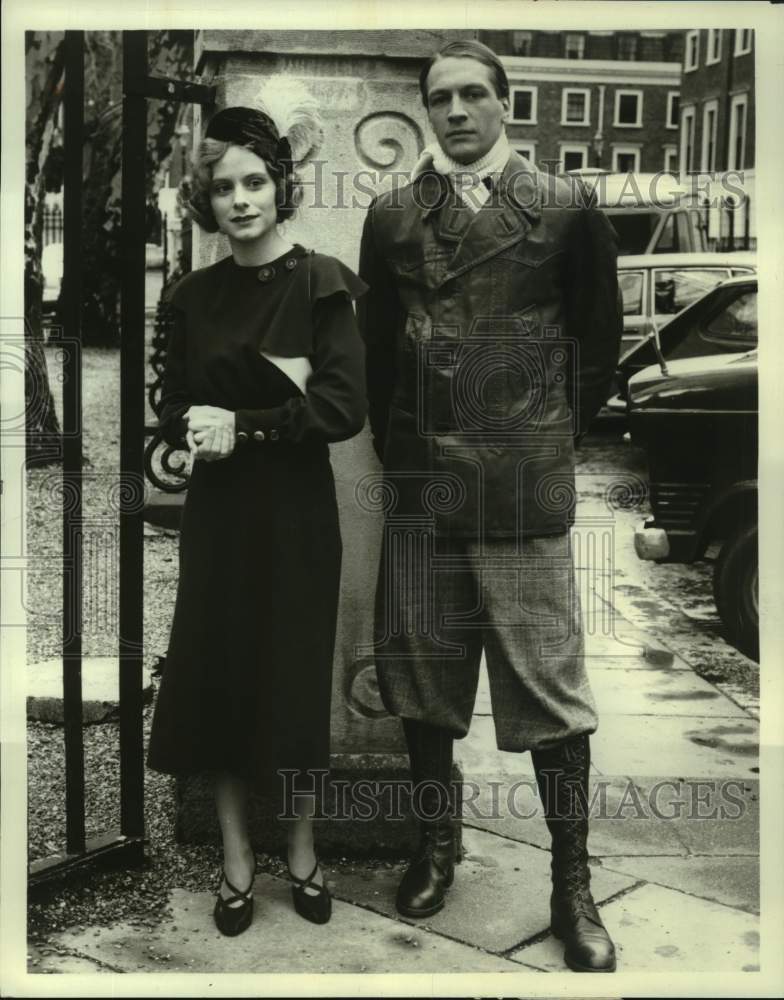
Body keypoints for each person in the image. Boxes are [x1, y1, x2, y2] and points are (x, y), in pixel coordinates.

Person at [357, 40, 622, 973]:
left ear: (506, 104)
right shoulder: (394, 214)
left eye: (475, 94)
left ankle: (572, 887)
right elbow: (377, 348)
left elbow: (597, 341)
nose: (458, 110)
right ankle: (436, 848)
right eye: (442, 98)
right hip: (425, 479)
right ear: (427, 112)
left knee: (551, 690)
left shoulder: (564, 205)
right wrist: (403, 447)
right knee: (423, 677)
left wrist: (546, 432)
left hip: (521, 483)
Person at [147, 87, 368, 935]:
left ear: (280, 186)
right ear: (205, 200)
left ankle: (303, 850)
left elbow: (341, 407)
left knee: (292, 680)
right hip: (221, 518)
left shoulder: (320, 283)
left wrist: (247, 424)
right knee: (223, 679)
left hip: (296, 516)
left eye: (254, 183)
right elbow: (173, 403)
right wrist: (192, 425)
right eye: (223, 188)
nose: (240, 201)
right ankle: (237, 859)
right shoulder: (190, 297)